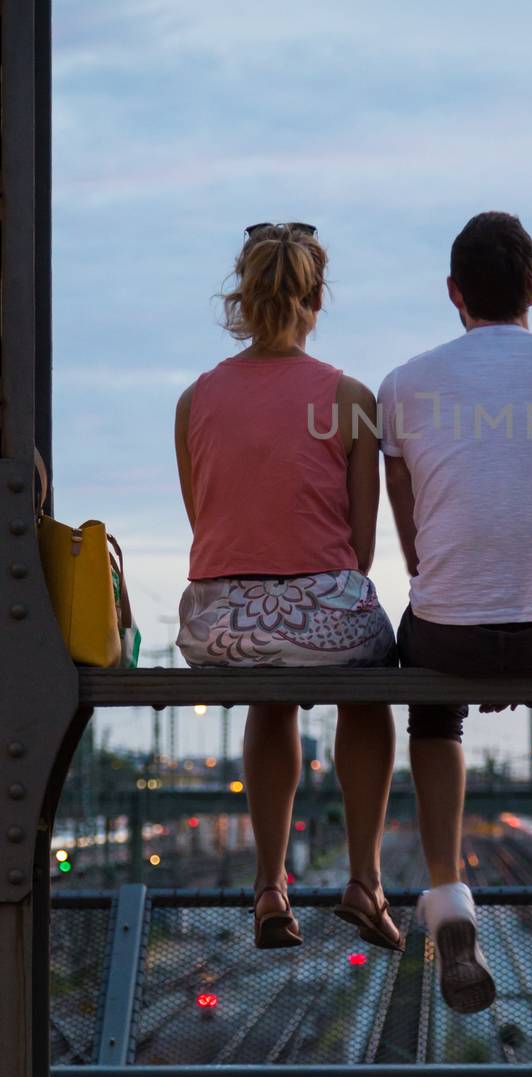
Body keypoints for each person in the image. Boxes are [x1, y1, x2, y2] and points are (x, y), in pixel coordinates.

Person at [379, 211, 532, 1014]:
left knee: (431, 704)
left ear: (453, 293)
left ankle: (448, 895)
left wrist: (476, 622)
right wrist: (527, 623)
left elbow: (412, 539)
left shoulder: (402, 384)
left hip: (447, 626)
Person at [175, 222, 400, 953]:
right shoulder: (350, 397)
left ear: (241, 295)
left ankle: (270, 883)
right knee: (370, 686)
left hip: (217, 624)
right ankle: (365, 879)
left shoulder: (193, 400)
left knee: (268, 693)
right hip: (320, 615)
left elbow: (205, 523)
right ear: (315, 299)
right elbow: (359, 551)